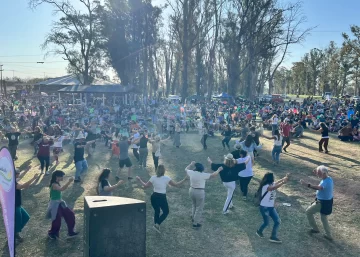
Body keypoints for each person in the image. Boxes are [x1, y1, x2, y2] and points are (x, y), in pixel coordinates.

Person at [136, 165, 187, 233]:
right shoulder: (166, 178)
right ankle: (157, 224)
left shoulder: (153, 178)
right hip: (161, 197)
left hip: (154, 197)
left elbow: (145, 186)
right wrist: (184, 179)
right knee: (166, 212)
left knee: (157, 211)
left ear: (157, 170)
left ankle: (156, 224)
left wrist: (139, 180)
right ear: (164, 171)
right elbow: (176, 185)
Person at [300, 165, 334, 241]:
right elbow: (322, 178)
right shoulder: (329, 179)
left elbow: (319, 187)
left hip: (322, 203)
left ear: (324, 173)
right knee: (323, 218)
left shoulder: (325, 182)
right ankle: (329, 235)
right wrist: (317, 172)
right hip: (327, 202)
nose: (318, 174)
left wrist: (307, 185)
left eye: (319, 173)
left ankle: (315, 229)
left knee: (308, 212)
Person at [185, 161, 223, 229]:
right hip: (199, 192)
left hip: (191, 190)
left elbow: (186, 169)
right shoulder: (203, 175)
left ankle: (193, 217)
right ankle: (195, 223)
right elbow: (213, 175)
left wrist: (190, 164)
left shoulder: (191, 172)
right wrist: (218, 170)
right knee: (199, 208)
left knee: (194, 204)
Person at [256, 172, 289, 244]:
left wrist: (283, 178)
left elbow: (276, 182)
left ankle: (273, 237)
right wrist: (283, 182)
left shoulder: (271, 183)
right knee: (266, 222)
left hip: (271, 207)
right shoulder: (265, 186)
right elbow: (273, 188)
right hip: (264, 207)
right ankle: (259, 231)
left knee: (277, 221)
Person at [47, 170, 78, 239]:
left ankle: (71, 232)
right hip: (54, 204)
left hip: (60, 203)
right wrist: (69, 182)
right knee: (57, 220)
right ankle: (52, 233)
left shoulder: (57, 183)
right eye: (62, 176)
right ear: (57, 176)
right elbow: (61, 189)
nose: (63, 178)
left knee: (70, 215)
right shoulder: (54, 184)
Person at [15, 167, 39, 241]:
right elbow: (22, 186)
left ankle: (15, 232)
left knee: (26, 217)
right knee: (18, 220)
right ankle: (15, 234)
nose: (19, 174)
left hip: (18, 204)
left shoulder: (15, 180)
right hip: (14, 205)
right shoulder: (12, 182)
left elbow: (24, 185)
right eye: (18, 173)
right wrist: (33, 178)